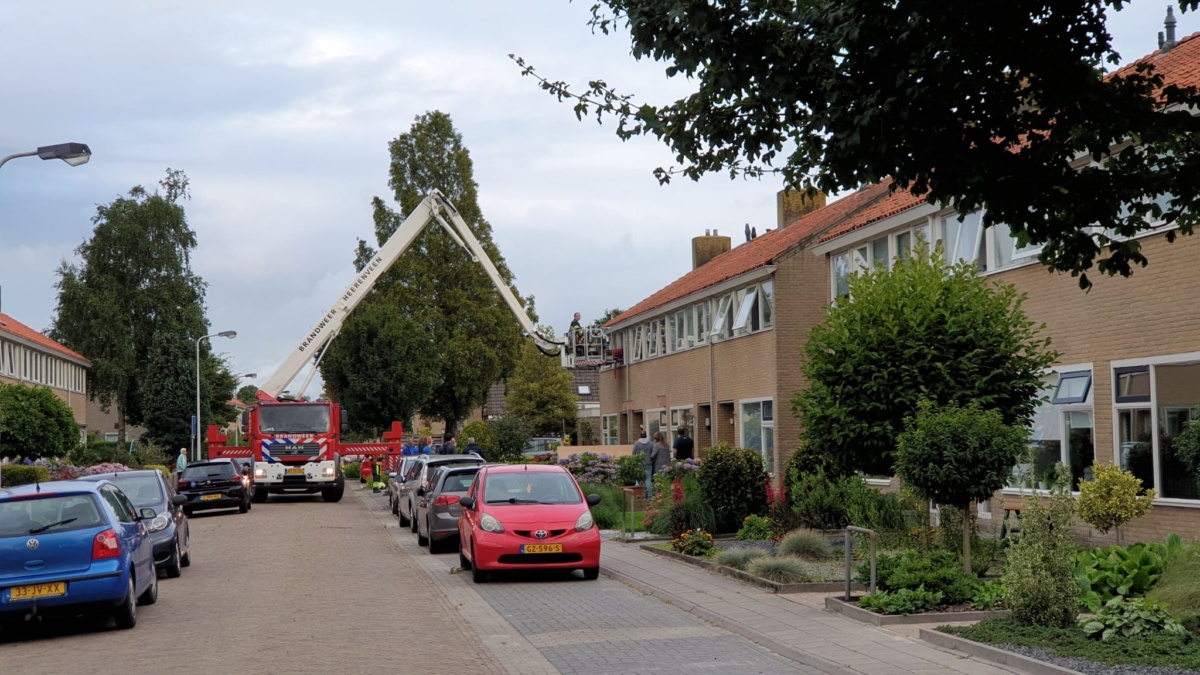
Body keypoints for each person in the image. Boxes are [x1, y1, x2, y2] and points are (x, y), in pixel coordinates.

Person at [631, 430, 655, 497]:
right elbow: (653, 454)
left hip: (639, 465)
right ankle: (650, 497)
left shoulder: (636, 444)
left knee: (638, 480)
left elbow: (633, 454)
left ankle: (637, 495)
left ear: (640, 436)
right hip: (648, 464)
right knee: (648, 480)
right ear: (646, 435)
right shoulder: (651, 443)